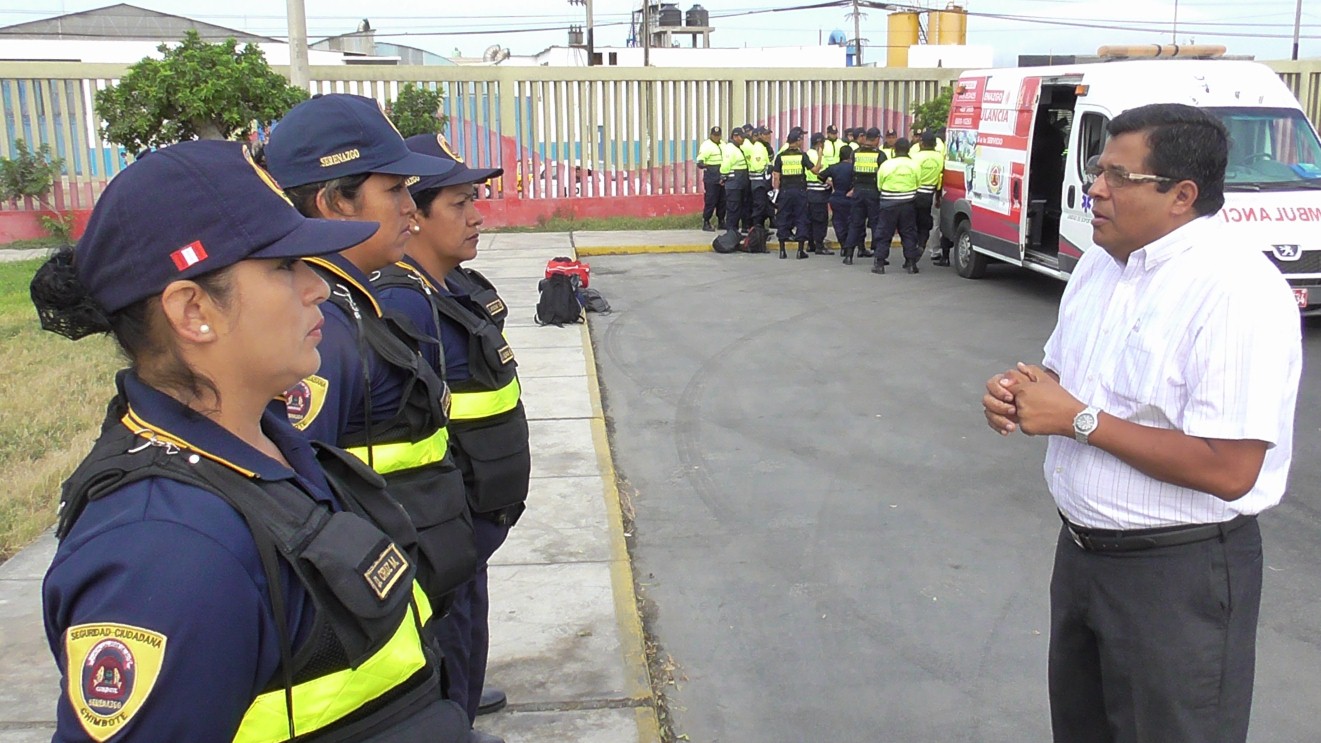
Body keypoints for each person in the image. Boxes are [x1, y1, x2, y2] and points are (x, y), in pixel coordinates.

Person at [34, 140, 473, 742]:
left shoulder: (270, 446)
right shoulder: (164, 554)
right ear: (193, 312)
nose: (316, 288)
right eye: (283, 267)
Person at [982, 103, 1302, 743]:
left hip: (1176, 577)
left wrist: (1078, 420)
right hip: (1082, 558)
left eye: (1118, 177)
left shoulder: (1235, 290)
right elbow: (1059, 380)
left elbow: (1231, 468)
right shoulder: (1101, 263)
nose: (1094, 188)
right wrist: (1019, 393)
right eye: (1099, 171)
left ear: (1182, 195)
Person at [264, 93, 482, 709]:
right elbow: (303, 501)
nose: (412, 209)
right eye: (396, 191)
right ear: (335, 202)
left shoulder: (356, 302)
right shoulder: (322, 327)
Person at [371, 133, 530, 737]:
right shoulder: (404, 307)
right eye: (459, 204)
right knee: (442, 636)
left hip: (472, 527)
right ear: (414, 213)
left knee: (467, 627)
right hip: (443, 524)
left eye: (475, 200)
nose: (477, 215)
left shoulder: (454, 288)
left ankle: (461, 696)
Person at [874, 137, 921, 274]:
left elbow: (879, 185)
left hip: (888, 203)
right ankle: (911, 264)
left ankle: (880, 264)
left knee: (884, 233)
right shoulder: (914, 165)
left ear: (894, 149)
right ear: (908, 150)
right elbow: (918, 184)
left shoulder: (886, 165)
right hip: (908, 204)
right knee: (908, 233)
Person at [845, 127, 887, 265]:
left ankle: (849, 254)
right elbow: (883, 174)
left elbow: (852, 172)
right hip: (873, 192)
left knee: (855, 223)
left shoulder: (856, 153)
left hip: (858, 191)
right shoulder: (879, 155)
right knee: (876, 224)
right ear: (876, 139)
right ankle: (878, 255)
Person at [771, 127, 812, 260]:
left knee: (783, 218)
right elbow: (815, 170)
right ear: (798, 141)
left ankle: (782, 251)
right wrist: (820, 155)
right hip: (799, 191)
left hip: (785, 191)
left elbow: (776, 176)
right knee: (801, 218)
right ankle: (800, 251)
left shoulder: (780, 156)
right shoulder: (802, 156)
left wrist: (776, 192)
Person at [912, 131, 945, 264]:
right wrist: (937, 197)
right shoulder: (939, 158)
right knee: (927, 224)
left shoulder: (916, 157)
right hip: (931, 194)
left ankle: (912, 249)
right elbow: (940, 178)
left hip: (914, 193)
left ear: (922, 143)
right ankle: (921, 245)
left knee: (912, 224)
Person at [820, 145, 857, 263]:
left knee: (838, 222)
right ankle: (848, 246)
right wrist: (853, 190)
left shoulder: (834, 167)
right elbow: (860, 181)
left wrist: (831, 184)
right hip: (849, 198)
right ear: (851, 156)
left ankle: (843, 245)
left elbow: (820, 175)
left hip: (836, 198)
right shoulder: (854, 168)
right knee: (850, 223)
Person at [806, 132, 834, 255]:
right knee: (820, 220)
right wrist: (829, 182)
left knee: (811, 219)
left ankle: (811, 244)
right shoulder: (817, 156)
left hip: (810, 191)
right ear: (819, 143)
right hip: (819, 192)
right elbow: (820, 173)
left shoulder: (808, 154)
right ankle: (819, 245)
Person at [720, 127, 751, 236]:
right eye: (741, 137)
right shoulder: (730, 148)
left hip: (740, 182)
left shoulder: (737, 147)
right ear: (734, 137)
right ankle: (731, 231)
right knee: (733, 208)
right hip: (734, 183)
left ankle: (735, 231)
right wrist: (723, 176)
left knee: (739, 207)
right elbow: (726, 165)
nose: (743, 139)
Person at [697, 126, 726, 231]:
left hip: (722, 175)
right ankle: (706, 222)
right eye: (714, 135)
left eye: (718, 135)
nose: (716, 137)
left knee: (723, 200)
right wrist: (709, 167)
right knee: (711, 200)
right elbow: (700, 162)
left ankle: (721, 221)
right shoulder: (706, 145)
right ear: (711, 135)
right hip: (711, 177)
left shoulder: (723, 144)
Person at [746, 126, 773, 230]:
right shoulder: (758, 147)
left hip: (762, 181)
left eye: (769, 134)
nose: (768, 136)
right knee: (759, 206)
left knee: (763, 206)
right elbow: (758, 166)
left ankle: (760, 229)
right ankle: (756, 230)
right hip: (759, 182)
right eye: (765, 134)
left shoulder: (763, 146)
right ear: (760, 136)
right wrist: (768, 167)